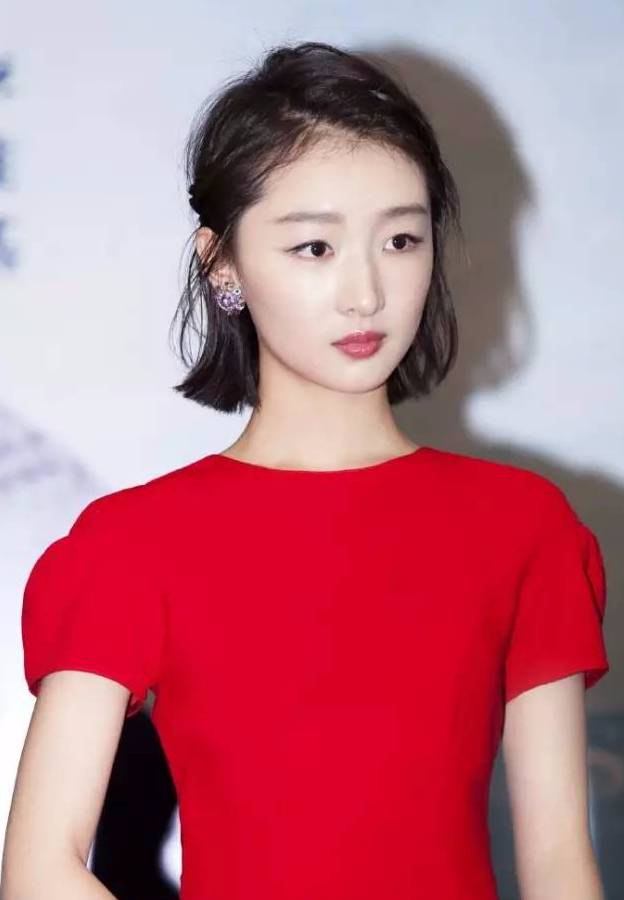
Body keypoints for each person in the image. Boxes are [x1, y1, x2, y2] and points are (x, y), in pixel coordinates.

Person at [2, 40, 610, 900]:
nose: (366, 293)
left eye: (400, 239)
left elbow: (560, 866)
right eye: (315, 248)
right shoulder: (134, 544)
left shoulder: (522, 526)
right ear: (221, 264)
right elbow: (40, 869)